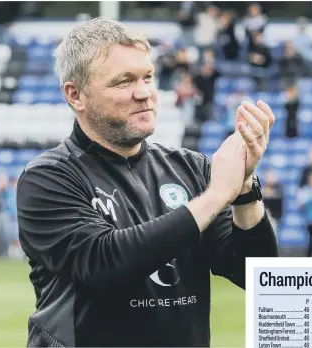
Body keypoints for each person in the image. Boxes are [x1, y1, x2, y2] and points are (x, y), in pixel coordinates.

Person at [17, 17, 278, 347]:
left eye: (148, 77)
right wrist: (216, 196)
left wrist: (243, 189)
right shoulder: (48, 177)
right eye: (123, 81)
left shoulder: (190, 167)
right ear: (76, 95)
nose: (143, 93)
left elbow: (254, 275)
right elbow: (103, 263)